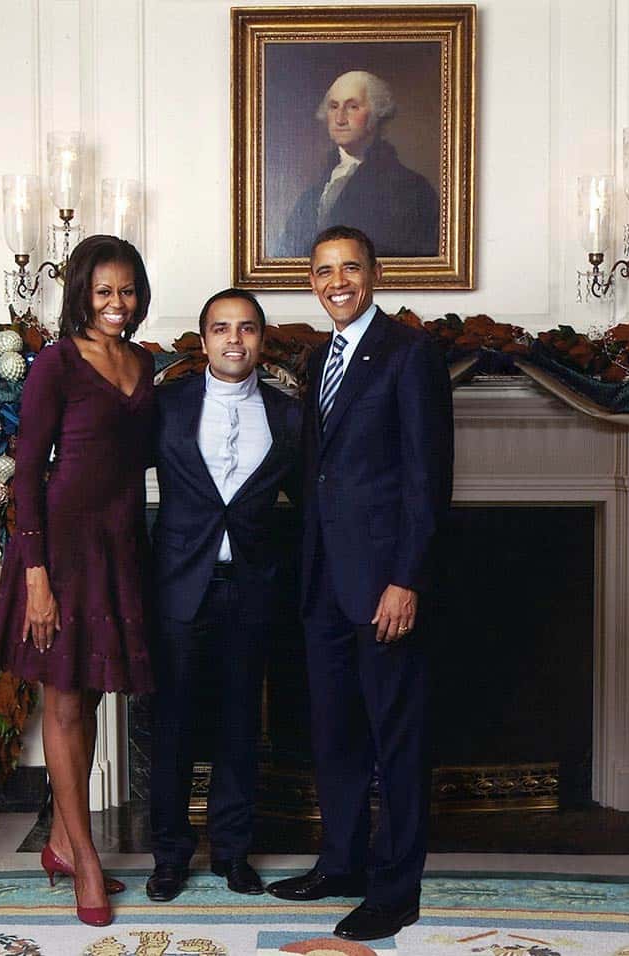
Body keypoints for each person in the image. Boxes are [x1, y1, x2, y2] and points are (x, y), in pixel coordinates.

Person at [266, 226, 453, 942]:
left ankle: (395, 888)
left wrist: (406, 581)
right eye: (322, 271)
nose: (335, 281)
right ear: (310, 281)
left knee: (394, 739)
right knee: (335, 733)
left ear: (375, 273)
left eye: (349, 268)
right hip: (323, 582)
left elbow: (427, 481)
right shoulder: (319, 358)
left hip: (383, 586)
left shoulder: (410, 354)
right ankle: (340, 863)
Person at [0, 234, 156, 928]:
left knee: (92, 700)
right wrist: (37, 578)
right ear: (80, 291)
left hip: (119, 545)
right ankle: (83, 855)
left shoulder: (144, 362)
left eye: (129, 290)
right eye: (105, 290)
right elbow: (26, 473)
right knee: (63, 704)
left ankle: (59, 840)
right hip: (60, 550)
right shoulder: (55, 363)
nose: (118, 303)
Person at [146, 288, 301, 903]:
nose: (234, 340)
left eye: (246, 329)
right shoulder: (165, 406)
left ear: (262, 341)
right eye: (221, 329)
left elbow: (319, 505)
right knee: (174, 726)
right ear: (203, 339)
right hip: (179, 588)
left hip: (252, 589)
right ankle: (169, 857)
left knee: (241, 728)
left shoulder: (289, 415)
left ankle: (233, 854)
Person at [277, 70, 440, 259]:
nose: (340, 118)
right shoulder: (312, 195)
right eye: (333, 106)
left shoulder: (411, 189)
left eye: (353, 107)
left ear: (377, 114)